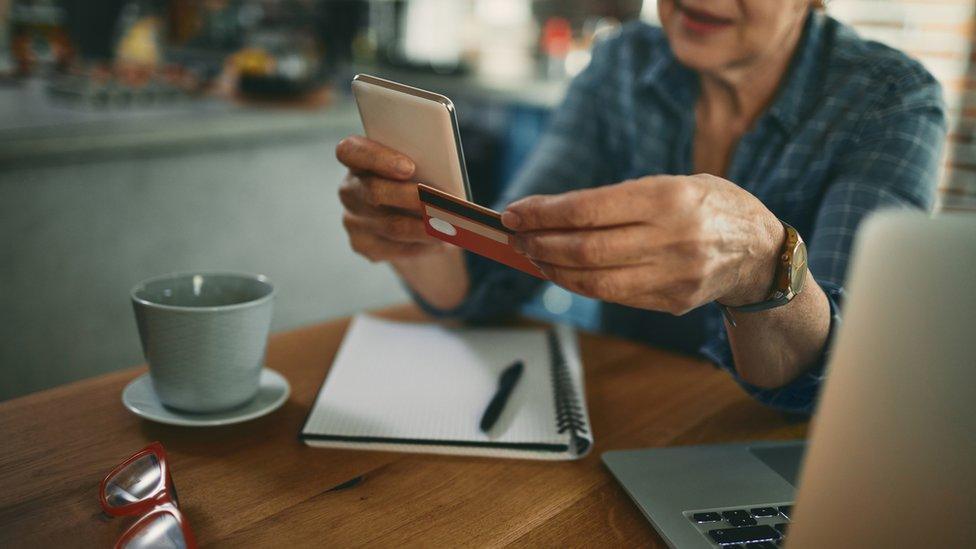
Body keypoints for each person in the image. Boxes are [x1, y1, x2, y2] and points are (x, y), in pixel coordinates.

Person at [335, 0, 946, 414]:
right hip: (622, 418)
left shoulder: (891, 100)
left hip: (782, 461)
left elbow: (853, 377)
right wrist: (419, 236)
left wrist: (762, 265)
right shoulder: (624, 63)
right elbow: (496, 277)